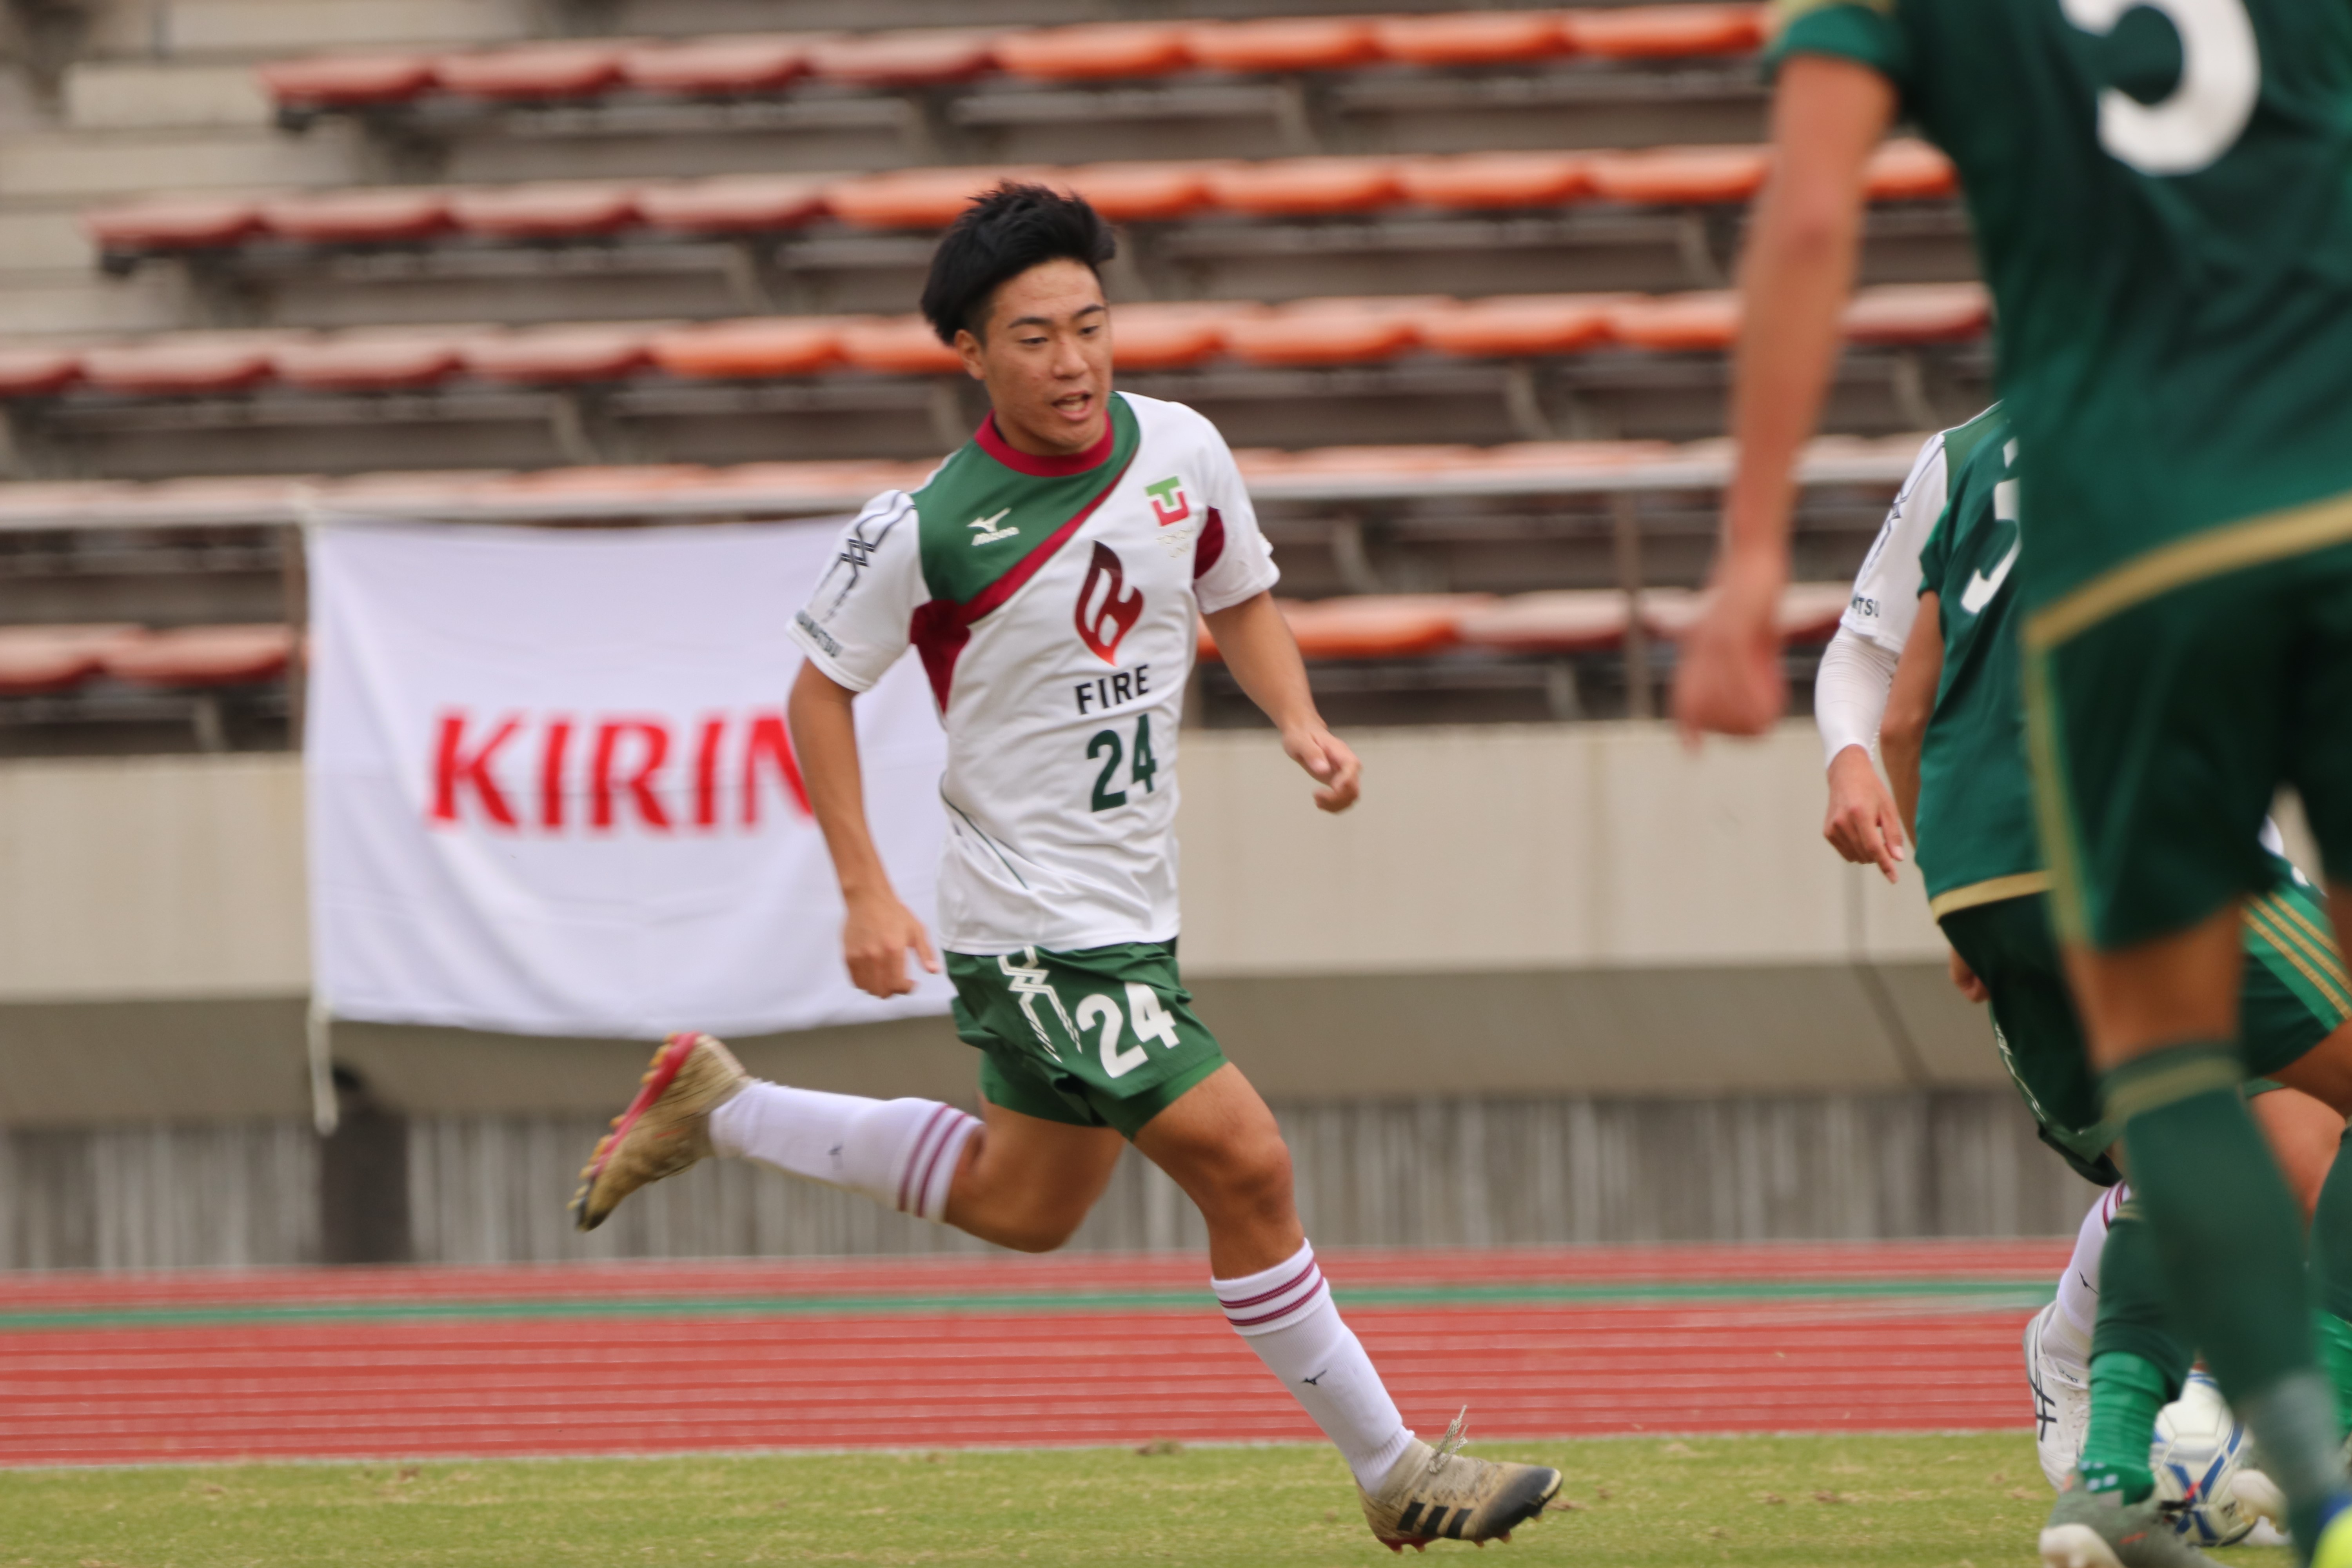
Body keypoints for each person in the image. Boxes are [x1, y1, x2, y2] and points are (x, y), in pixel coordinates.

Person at [568, 184, 1562, 1552]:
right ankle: (1398, 1474)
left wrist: (1301, 722)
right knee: (1248, 1163)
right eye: (1034, 337)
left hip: (1128, 914)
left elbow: (1240, 595)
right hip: (1032, 924)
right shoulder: (926, 524)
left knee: (1022, 1205)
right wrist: (865, 886)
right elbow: (817, 694)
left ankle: (720, 1107)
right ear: (969, 353)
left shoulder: (1185, 450)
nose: (1074, 361)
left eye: (1090, 325)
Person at [1674, 4, 2352, 1562]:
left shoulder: (2000, 444)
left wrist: (1932, 861)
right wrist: (1852, 759)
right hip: (2169, 811)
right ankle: (2274, 1444)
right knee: (2270, 1123)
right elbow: (1869, 671)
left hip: (2016, 843)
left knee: (2203, 1130)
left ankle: (2125, 1461)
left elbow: (1902, 681)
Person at [1821, 414, 2352, 1562]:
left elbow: (1903, 702)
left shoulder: (1979, 454)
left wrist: (1946, 882)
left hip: (1992, 870)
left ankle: (2112, 1474)